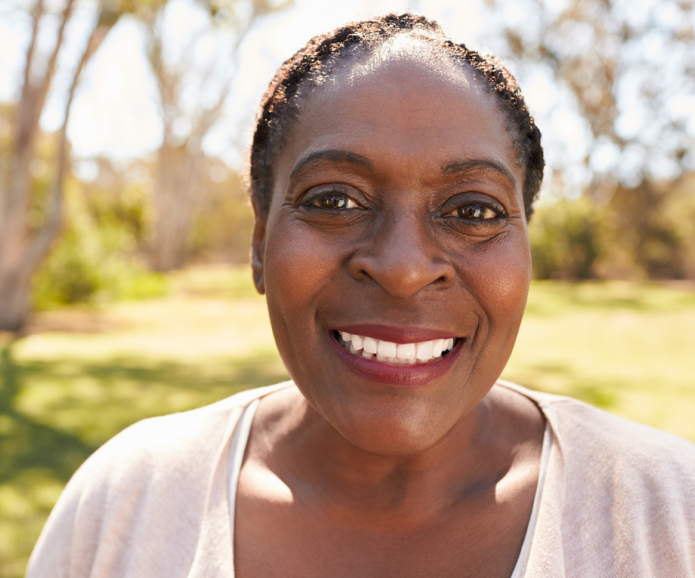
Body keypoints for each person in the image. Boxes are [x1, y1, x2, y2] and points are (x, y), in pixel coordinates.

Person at [28, 13, 695, 578]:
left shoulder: (664, 513)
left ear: (525, 248)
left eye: (472, 211)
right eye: (334, 200)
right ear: (260, 245)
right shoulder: (127, 506)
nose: (402, 268)